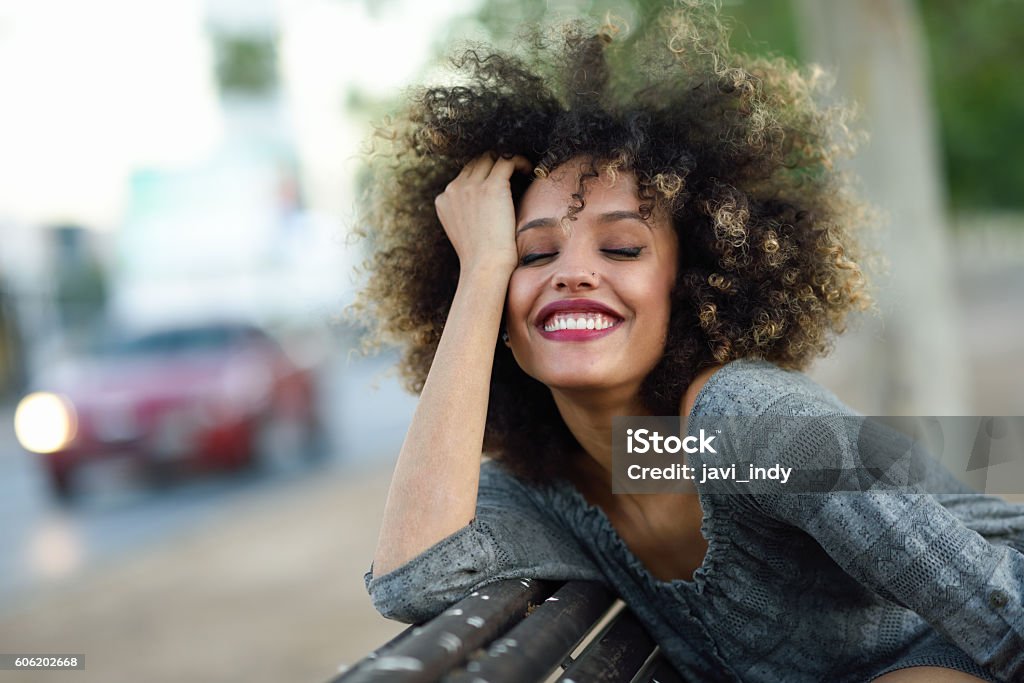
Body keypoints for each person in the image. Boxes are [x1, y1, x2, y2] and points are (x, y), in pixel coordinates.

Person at [355, 4, 1024, 681]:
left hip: (951, 643)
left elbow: (1004, 607)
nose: (574, 272)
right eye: (530, 256)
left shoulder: (744, 422)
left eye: (621, 247)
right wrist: (480, 274)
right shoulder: (560, 483)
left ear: (690, 283)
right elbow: (413, 579)